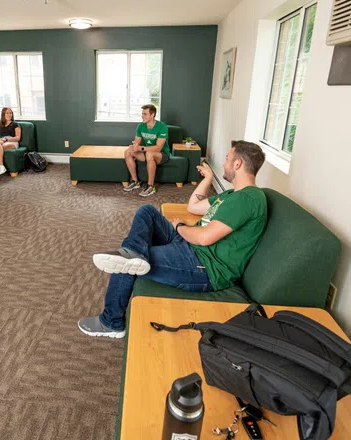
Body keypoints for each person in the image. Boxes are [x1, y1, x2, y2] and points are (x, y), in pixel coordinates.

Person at [78, 141, 267, 338]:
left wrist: (180, 227)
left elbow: (204, 238)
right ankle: (134, 252)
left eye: (227, 159)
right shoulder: (231, 195)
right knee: (147, 211)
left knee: (125, 264)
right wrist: (208, 179)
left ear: (237, 164)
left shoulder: (247, 199)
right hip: (190, 246)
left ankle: (112, 322)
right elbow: (193, 206)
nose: (224, 164)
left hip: (204, 266)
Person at [123, 104, 171, 197]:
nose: (142, 116)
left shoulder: (162, 127)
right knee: (128, 152)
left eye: (145, 114)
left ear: (152, 115)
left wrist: (141, 148)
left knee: (150, 154)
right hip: (146, 152)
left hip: (162, 154)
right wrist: (135, 146)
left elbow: (158, 148)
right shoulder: (141, 126)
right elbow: (137, 142)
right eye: (142, 113)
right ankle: (135, 181)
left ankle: (151, 186)